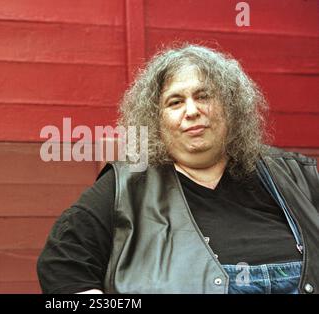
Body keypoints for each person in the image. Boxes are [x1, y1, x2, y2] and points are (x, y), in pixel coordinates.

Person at [36, 44, 319, 294]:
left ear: (231, 108)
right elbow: (62, 263)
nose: (192, 110)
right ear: (156, 121)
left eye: (204, 96)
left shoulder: (297, 176)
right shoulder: (126, 188)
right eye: (175, 102)